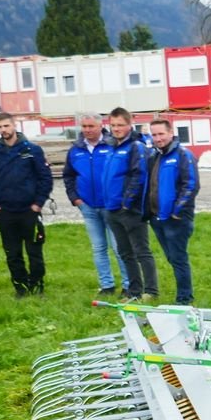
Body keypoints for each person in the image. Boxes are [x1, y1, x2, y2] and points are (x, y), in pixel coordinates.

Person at [0, 112, 53, 296]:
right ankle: (20, 287)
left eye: (6, 126)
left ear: (14, 126)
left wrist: (38, 203)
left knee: (34, 252)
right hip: (6, 212)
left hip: (30, 210)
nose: (3, 130)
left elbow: (45, 178)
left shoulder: (31, 150)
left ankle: (37, 285)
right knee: (12, 254)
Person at [63, 114, 129, 296]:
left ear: (101, 126)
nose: (87, 130)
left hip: (111, 206)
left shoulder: (111, 145)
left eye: (91, 126)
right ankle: (106, 285)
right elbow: (68, 175)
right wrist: (75, 198)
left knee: (118, 247)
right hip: (88, 206)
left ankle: (128, 284)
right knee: (98, 248)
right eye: (84, 126)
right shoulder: (76, 150)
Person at [143, 119, 200, 305]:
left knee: (179, 258)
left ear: (170, 133)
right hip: (157, 217)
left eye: (161, 134)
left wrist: (177, 211)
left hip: (176, 219)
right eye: (154, 134)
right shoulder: (153, 156)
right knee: (172, 258)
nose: (158, 138)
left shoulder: (183, 155)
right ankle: (183, 294)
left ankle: (184, 298)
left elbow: (191, 185)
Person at [104, 107, 158, 301]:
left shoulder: (135, 147)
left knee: (141, 251)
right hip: (111, 209)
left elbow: (139, 176)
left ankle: (151, 291)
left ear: (129, 125)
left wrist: (127, 203)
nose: (116, 129)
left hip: (130, 210)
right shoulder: (111, 147)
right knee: (125, 252)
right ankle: (134, 291)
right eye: (113, 125)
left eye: (120, 125)